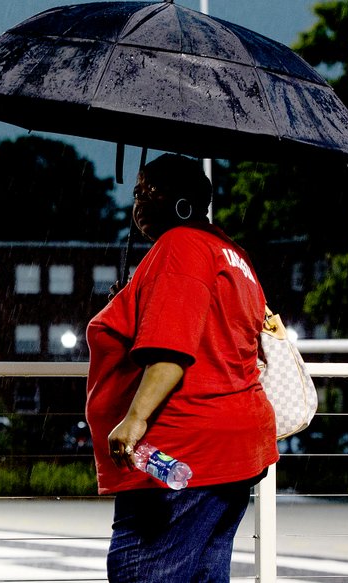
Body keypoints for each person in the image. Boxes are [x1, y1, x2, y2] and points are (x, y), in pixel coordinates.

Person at [85, 154, 279, 582]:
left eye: (147, 192)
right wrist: (134, 298)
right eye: (136, 193)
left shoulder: (181, 247)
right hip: (232, 450)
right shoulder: (231, 253)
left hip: (183, 452)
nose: (137, 203)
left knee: (142, 571)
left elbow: (171, 351)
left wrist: (133, 421)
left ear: (183, 202)